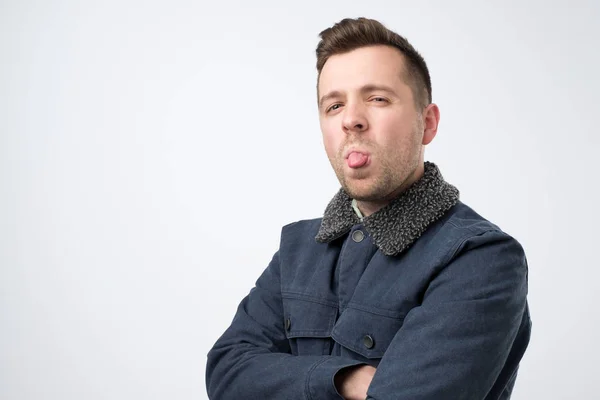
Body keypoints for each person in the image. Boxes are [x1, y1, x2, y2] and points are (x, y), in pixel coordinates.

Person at [205, 17, 531, 400]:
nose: (351, 120)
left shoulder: (481, 258)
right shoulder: (298, 249)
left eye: (377, 98)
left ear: (427, 124)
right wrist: (344, 380)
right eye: (334, 105)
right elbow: (226, 373)